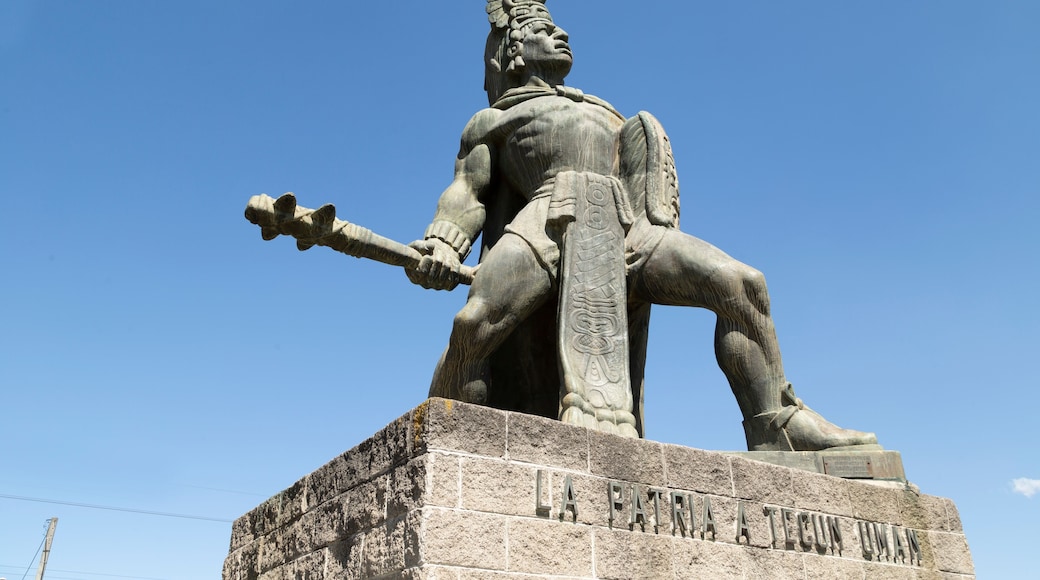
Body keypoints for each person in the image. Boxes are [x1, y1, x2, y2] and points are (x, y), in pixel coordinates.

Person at [407, 0, 877, 451]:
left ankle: (776, 423)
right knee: (474, 325)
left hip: (624, 226)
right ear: (514, 51)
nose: (562, 35)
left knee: (742, 285)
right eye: (545, 33)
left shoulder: (605, 110)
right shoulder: (495, 119)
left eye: (559, 30)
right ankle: (450, 431)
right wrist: (444, 244)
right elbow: (466, 192)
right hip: (548, 219)